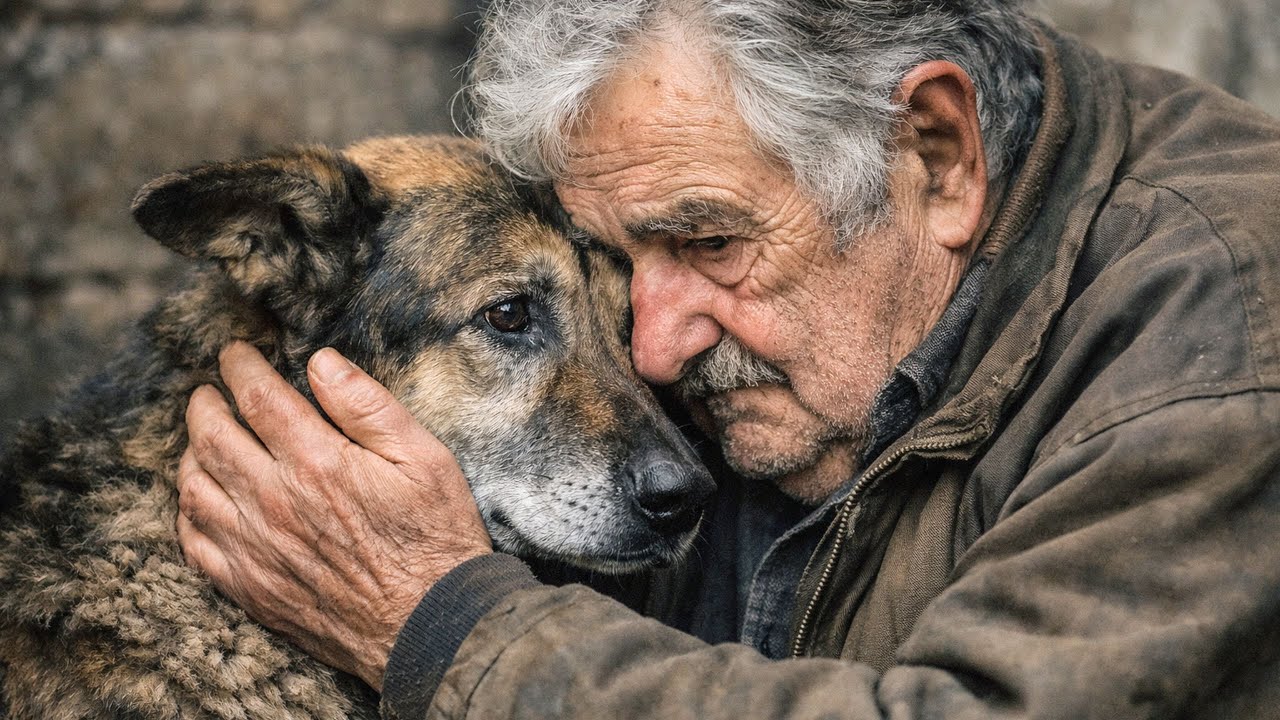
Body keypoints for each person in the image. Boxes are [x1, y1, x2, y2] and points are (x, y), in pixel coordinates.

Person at [174, 1, 1280, 717]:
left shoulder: (1219, 340)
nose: (653, 345)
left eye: (707, 242)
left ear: (935, 158)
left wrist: (449, 629)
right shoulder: (789, 310)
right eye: (615, 261)